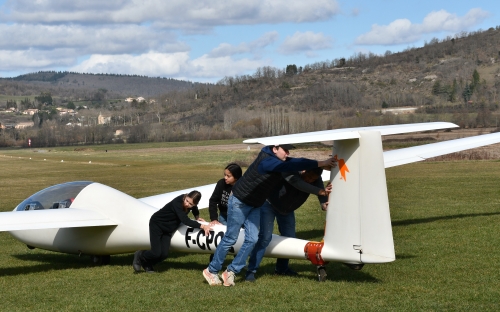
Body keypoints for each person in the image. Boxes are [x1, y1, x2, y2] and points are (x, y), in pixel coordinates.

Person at [202, 144, 336, 286]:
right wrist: (321, 166)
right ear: (275, 149)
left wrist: (320, 172)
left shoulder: (282, 162)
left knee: (252, 239)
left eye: (289, 151)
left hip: (256, 204)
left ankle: (231, 271)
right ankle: (212, 270)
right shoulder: (267, 162)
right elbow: (296, 176)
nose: (287, 154)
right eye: (285, 150)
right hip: (240, 202)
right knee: (231, 237)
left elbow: (297, 162)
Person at [245, 167, 331, 282]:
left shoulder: (316, 179)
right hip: (269, 205)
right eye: (309, 177)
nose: (310, 180)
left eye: (313, 179)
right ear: (304, 170)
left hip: (287, 211)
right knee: (265, 238)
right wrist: (320, 191)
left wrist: (323, 204)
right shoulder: (292, 171)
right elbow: (300, 185)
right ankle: (251, 271)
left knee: (289, 239)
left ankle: (281, 268)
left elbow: (321, 193)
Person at [133, 190, 212, 273]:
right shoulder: (177, 202)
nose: (187, 204)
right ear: (186, 196)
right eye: (187, 200)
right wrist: (202, 226)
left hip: (169, 228)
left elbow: (194, 208)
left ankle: (147, 264)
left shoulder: (192, 205)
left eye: (190, 204)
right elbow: (185, 220)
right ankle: (140, 255)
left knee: (164, 254)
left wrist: (197, 217)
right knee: (155, 253)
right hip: (157, 224)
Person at [208, 163, 242, 262]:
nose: (225, 178)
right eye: (225, 175)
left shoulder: (243, 186)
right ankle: (213, 262)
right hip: (224, 216)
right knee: (221, 240)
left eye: (228, 176)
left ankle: (238, 263)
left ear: (236, 177)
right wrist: (214, 218)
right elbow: (213, 201)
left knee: (238, 240)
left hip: (238, 219)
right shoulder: (221, 183)